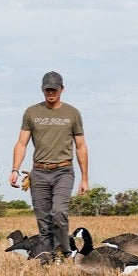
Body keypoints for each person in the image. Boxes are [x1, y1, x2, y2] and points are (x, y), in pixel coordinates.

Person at [10, 71, 89, 258]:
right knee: (43, 219)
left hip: (63, 171)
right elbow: (21, 143)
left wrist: (84, 178)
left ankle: (65, 252)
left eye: (54, 89)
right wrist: (15, 169)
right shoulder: (32, 112)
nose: (50, 93)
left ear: (62, 89)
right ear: (42, 89)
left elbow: (81, 146)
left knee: (59, 213)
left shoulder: (72, 113)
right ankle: (47, 256)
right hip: (38, 172)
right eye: (47, 89)